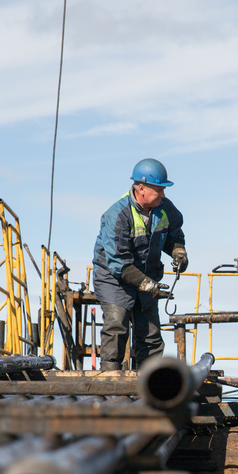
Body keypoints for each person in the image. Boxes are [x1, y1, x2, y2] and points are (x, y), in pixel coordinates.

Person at [93, 158, 188, 371]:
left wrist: (179, 252)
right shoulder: (117, 215)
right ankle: (110, 380)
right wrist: (148, 285)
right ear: (141, 188)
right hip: (114, 279)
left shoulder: (164, 208)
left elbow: (174, 235)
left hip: (146, 275)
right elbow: (119, 263)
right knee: (116, 325)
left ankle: (149, 380)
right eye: (159, 190)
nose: (163, 195)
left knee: (151, 335)